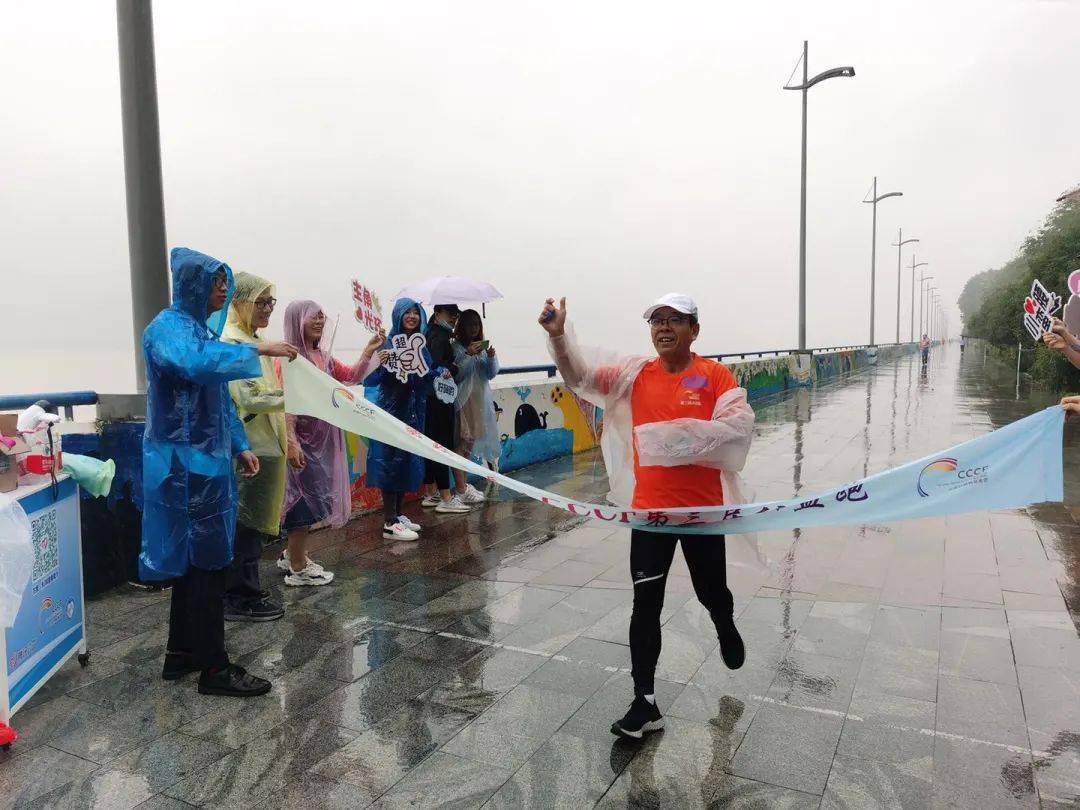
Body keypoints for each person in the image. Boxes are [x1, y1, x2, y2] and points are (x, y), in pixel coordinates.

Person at [539, 292, 754, 740]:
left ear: (694, 330)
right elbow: (580, 378)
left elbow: (737, 431)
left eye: (675, 320)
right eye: (657, 320)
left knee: (711, 591)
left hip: (700, 514)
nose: (664, 328)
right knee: (645, 605)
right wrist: (559, 338)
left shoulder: (714, 376)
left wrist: (669, 439)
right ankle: (645, 702)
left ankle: (724, 622)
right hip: (651, 514)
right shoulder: (635, 376)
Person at [141, 247, 296, 697]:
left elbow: (220, 398)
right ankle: (215, 668)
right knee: (207, 563)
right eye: (216, 281)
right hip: (183, 466)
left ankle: (182, 654)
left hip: (205, 462)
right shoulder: (167, 329)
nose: (223, 289)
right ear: (192, 284)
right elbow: (197, 364)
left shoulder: (198, 330)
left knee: (198, 562)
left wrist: (241, 444)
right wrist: (257, 347)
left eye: (226, 281)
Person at [279, 301, 384, 585]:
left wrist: (368, 351)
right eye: (313, 317)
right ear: (296, 321)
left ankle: (292, 553)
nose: (320, 321)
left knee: (313, 500)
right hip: (301, 442)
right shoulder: (289, 359)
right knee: (299, 500)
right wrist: (290, 439)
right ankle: (298, 568)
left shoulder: (322, 357)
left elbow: (350, 377)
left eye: (322, 316)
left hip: (322, 442)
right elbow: (286, 402)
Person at [221, 272, 288, 622]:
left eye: (270, 302)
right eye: (260, 302)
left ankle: (247, 589)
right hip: (249, 447)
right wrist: (296, 398)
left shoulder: (255, 340)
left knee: (253, 527)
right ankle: (239, 596)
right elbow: (248, 395)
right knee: (244, 526)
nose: (267, 310)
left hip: (266, 445)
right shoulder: (232, 341)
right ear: (240, 302)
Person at [366, 298, 435, 540]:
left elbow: (424, 379)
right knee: (389, 462)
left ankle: (397, 513)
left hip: (413, 412)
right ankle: (389, 521)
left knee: (406, 461)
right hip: (391, 411)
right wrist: (383, 364)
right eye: (408, 312)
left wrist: (438, 373)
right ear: (398, 315)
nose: (412, 316)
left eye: (416, 312)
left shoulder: (420, 346)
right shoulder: (386, 343)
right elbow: (371, 379)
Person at [420, 304, 471, 514]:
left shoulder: (428, 333)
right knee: (441, 444)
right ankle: (446, 497)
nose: (454, 318)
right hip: (440, 398)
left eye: (456, 315)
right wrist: (455, 366)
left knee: (431, 444)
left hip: (430, 398)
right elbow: (437, 366)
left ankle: (430, 493)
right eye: (450, 314)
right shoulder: (440, 337)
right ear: (438, 312)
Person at [452, 308, 501, 499]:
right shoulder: (456, 347)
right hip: (463, 401)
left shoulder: (480, 347)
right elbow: (457, 374)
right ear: (462, 326)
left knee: (470, 443)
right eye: (469, 324)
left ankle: (463, 485)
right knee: (461, 442)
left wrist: (490, 358)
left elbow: (490, 373)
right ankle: (460, 487)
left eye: (476, 324)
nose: (473, 328)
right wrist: (468, 354)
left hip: (480, 400)